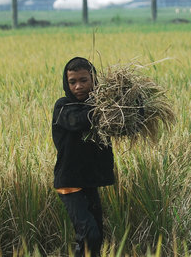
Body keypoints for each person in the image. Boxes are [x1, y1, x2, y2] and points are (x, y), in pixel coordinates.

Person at [52, 57, 114, 257]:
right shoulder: (63, 107)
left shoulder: (103, 108)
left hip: (89, 181)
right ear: (66, 83)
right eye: (72, 82)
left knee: (97, 236)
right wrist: (108, 106)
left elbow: (121, 124)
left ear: (94, 80)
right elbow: (78, 121)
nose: (78, 86)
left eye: (83, 80)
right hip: (70, 182)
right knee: (89, 234)